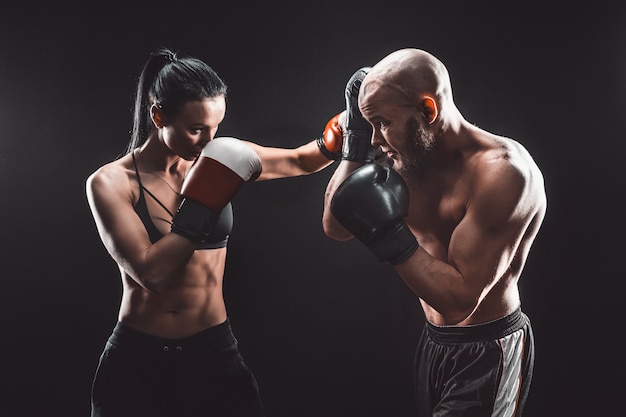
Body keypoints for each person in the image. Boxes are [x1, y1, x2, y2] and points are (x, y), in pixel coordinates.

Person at [85, 47, 342, 417]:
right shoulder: (109, 182)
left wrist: (340, 131)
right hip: (137, 361)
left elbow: (301, 159)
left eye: (216, 127)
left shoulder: (221, 156)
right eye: (195, 129)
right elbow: (152, 274)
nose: (209, 141)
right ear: (158, 116)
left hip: (211, 352)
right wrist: (204, 204)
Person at [322, 49, 547, 416]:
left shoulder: (504, 174)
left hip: (488, 349)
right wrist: (356, 140)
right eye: (371, 125)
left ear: (427, 111)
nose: (378, 139)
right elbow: (337, 225)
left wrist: (387, 235)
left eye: (381, 123)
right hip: (433, 343)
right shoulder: (405, 155)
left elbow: (459, 303)